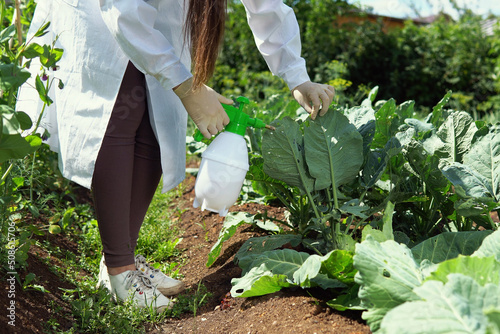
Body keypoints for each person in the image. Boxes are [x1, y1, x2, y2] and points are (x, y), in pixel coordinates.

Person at [17, 0, 335, 312]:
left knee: (155, 120)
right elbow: (123, 11)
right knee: (119, 108)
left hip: (158, 14)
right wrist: (187, 88)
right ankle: (119, 269)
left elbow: (265, 6)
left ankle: (119, 260)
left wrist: (297, 76)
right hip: (105, 11)